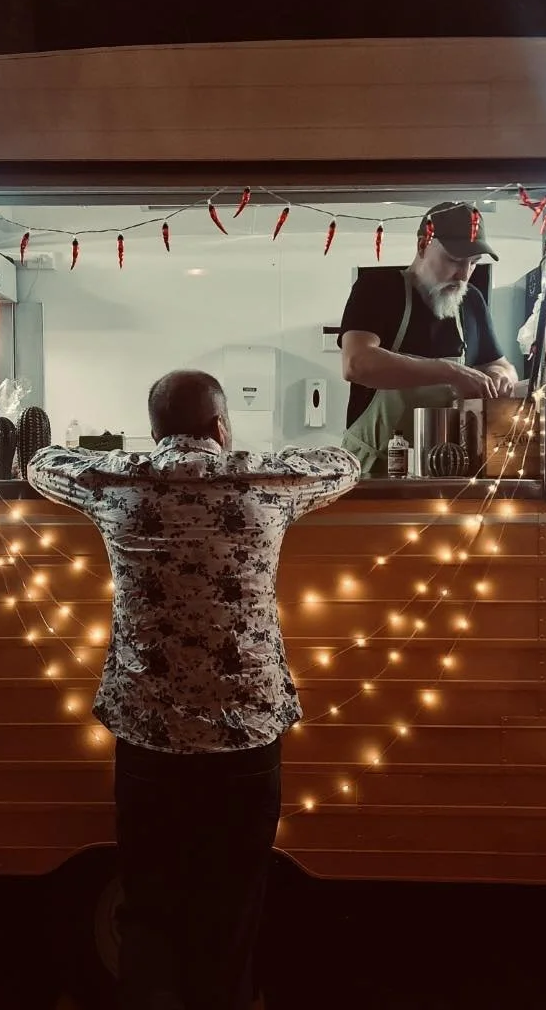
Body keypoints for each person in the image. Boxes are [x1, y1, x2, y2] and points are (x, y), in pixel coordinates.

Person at [26, 370, 360, 1010]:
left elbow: (42, 464)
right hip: (246, 728)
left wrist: (125, 457)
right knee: (232, 905)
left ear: (155, 431)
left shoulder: (117, 480)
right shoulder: (265, 479)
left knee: (150, 901)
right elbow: (344, 465)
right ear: (219, 426)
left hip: (148, 729)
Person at [338, 201, 520, 475]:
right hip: (372, 471)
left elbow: (503, 366)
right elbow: (357, 363)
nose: (463, 275)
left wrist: (499, 376)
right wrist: (450, 372)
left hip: (445, 471)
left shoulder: (471, 302)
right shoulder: (377, 288)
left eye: (473, 263)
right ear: (423, 245)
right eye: (454, 260)